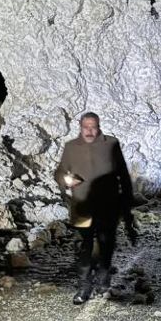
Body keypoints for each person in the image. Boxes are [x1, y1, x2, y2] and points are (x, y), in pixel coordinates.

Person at [54, 112, 138, 305]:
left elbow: (123, 176)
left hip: (109, 207)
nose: (89, 131)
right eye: (86, 127)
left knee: (106, 245)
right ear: (80, 127)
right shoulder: (71, 147)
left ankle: (103, 280)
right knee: (85, 247)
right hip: (82, 206)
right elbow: (59, 171)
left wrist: (127, 208)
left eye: (93, 127)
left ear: (99, 126)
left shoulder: (111, 144)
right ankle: (84, 286)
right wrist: (65, 180)